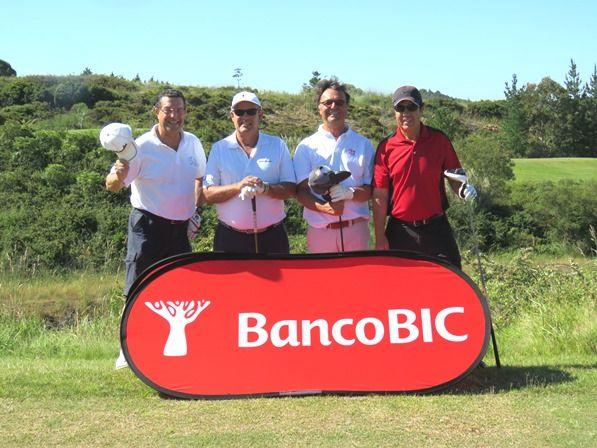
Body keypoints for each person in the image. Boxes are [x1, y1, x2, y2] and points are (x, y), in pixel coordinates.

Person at [105, 89, 206, 368]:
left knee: (179, 290)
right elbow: (113, 184)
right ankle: (126, 350)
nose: (174, 116)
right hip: (147, 226)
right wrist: (117, 174)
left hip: (181, 228)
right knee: (135, 287)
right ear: (157, 112)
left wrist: (197, 213)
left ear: (185, 112)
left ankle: (176, 347)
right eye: (168, 110)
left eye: (179, 110)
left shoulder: (193, 142)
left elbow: (200, 178)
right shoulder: (141, 146)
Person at [372, 85, 477, 269]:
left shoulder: (439, 140)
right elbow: (380, 195)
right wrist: (380, 236)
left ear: (422, 109)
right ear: (394, 112)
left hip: (436, 227)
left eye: (411, 107)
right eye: (400, 108)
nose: (406, 113)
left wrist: (462, 190)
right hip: (400, 230)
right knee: (400, 290)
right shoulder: (386, 148)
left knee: (452, 280)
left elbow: (454, 177)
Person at [203, 91, 296, 253]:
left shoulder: (277, 145)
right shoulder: (219, 148)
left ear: (260, 114)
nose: (245, 117)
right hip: (229, 238)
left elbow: (290, 189)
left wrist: (266, 189)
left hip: (273, 237)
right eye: (239, 112)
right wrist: (238, 186)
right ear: (232, 116)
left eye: (251, 111)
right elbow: (208, 194)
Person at [294, 79, 375, 253]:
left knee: (358, 280)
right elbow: (300, 191)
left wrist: (350, 193)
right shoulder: (306, 146)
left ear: (346, 107)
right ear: (319, 107)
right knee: (322, 280)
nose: (333, 106)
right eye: (327, 102)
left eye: (339, 102)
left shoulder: (364, 144)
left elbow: (371, 189)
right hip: (321, 232)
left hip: (356, 230)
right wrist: (325, 208)